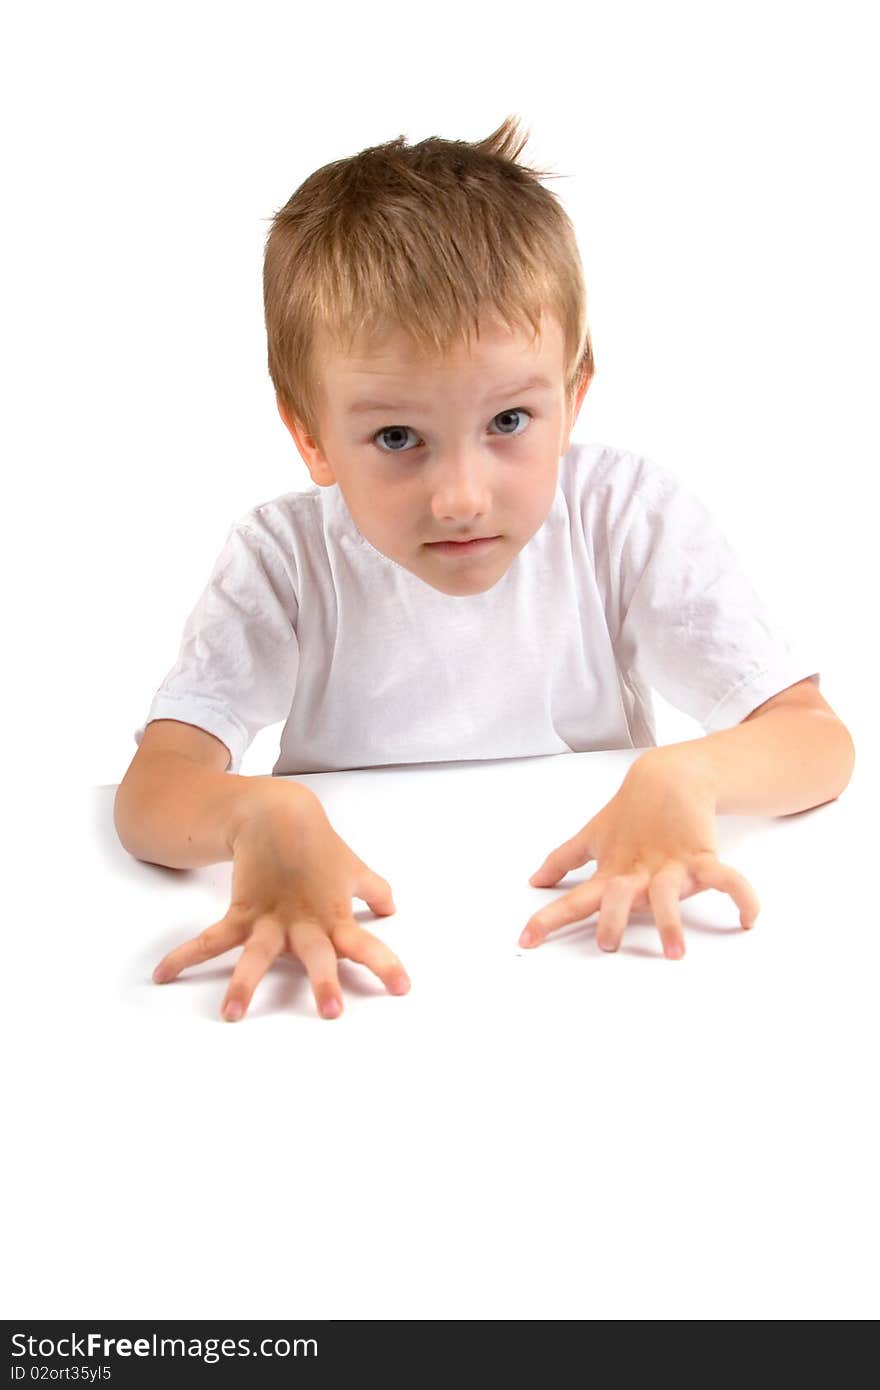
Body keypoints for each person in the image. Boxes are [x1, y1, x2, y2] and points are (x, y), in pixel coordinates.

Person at [113, 116, 855, 1023]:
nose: (462, 496)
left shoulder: (624, 515)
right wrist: (260, 817)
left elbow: (818, 741)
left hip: (594, 956)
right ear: (310, 436)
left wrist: (684, 778)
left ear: (572, 395)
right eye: (397, 438)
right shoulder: (284, 560)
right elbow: (154, 790)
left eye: (509, 422)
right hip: (379, 960)